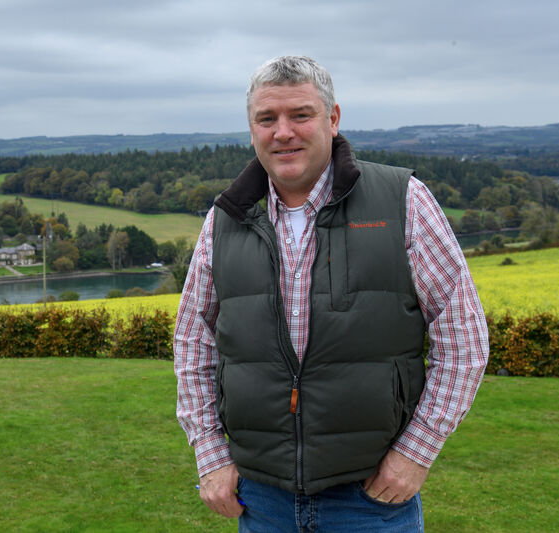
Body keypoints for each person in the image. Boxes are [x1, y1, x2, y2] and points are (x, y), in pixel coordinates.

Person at [174, 55, 489, 532]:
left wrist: (415, 454)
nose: (283, 132)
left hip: (370, 501)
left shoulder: (402, 200)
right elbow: (193, 344)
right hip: (260, 502)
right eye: (267, 119)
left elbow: (464, 339)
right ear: (252, 129)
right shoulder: (226, 220)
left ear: (333, 119)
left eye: (300, 114)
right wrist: (210, 453)